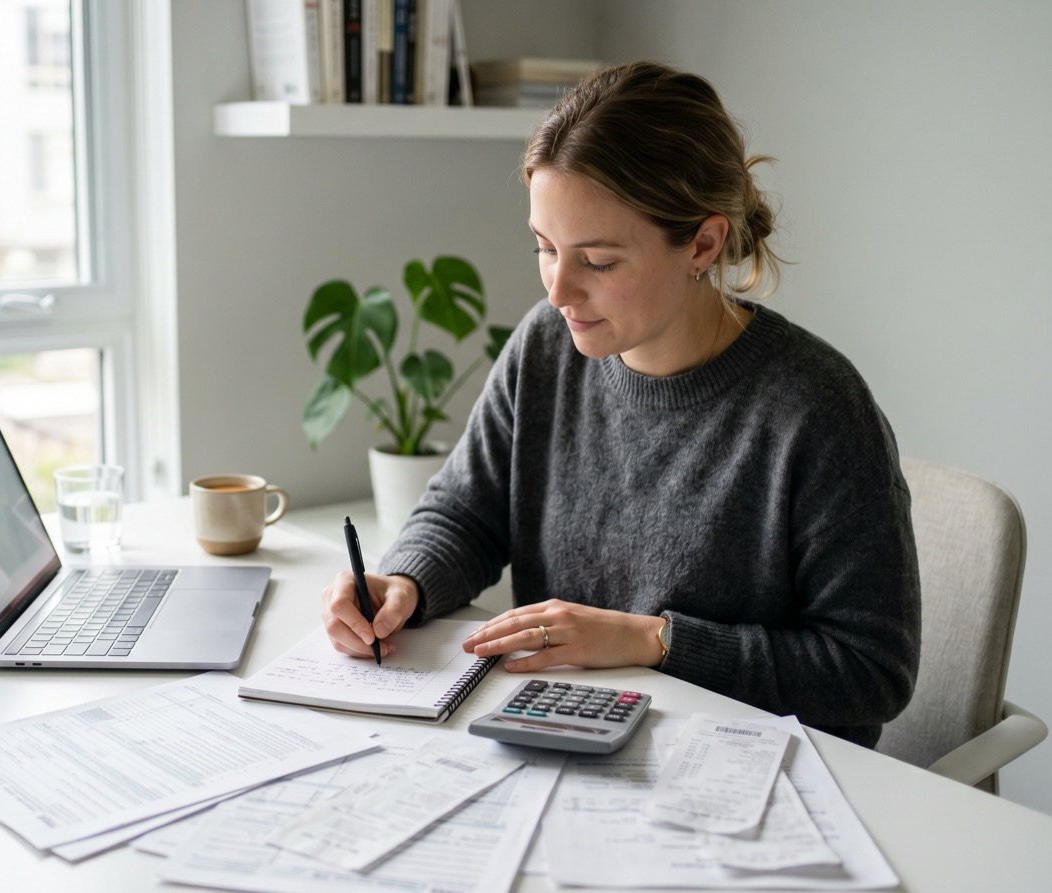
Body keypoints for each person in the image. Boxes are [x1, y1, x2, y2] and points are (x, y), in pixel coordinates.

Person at [320, 61, 919, 747]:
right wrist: (405, 582)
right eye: (545, 248)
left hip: (756, 778)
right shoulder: (547, 347)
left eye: (597, 262)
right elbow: (466, 512)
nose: (558, 291)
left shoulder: (815, 408)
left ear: (702, 242)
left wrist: (654, 640)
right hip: (570, 743)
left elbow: (872, 668)